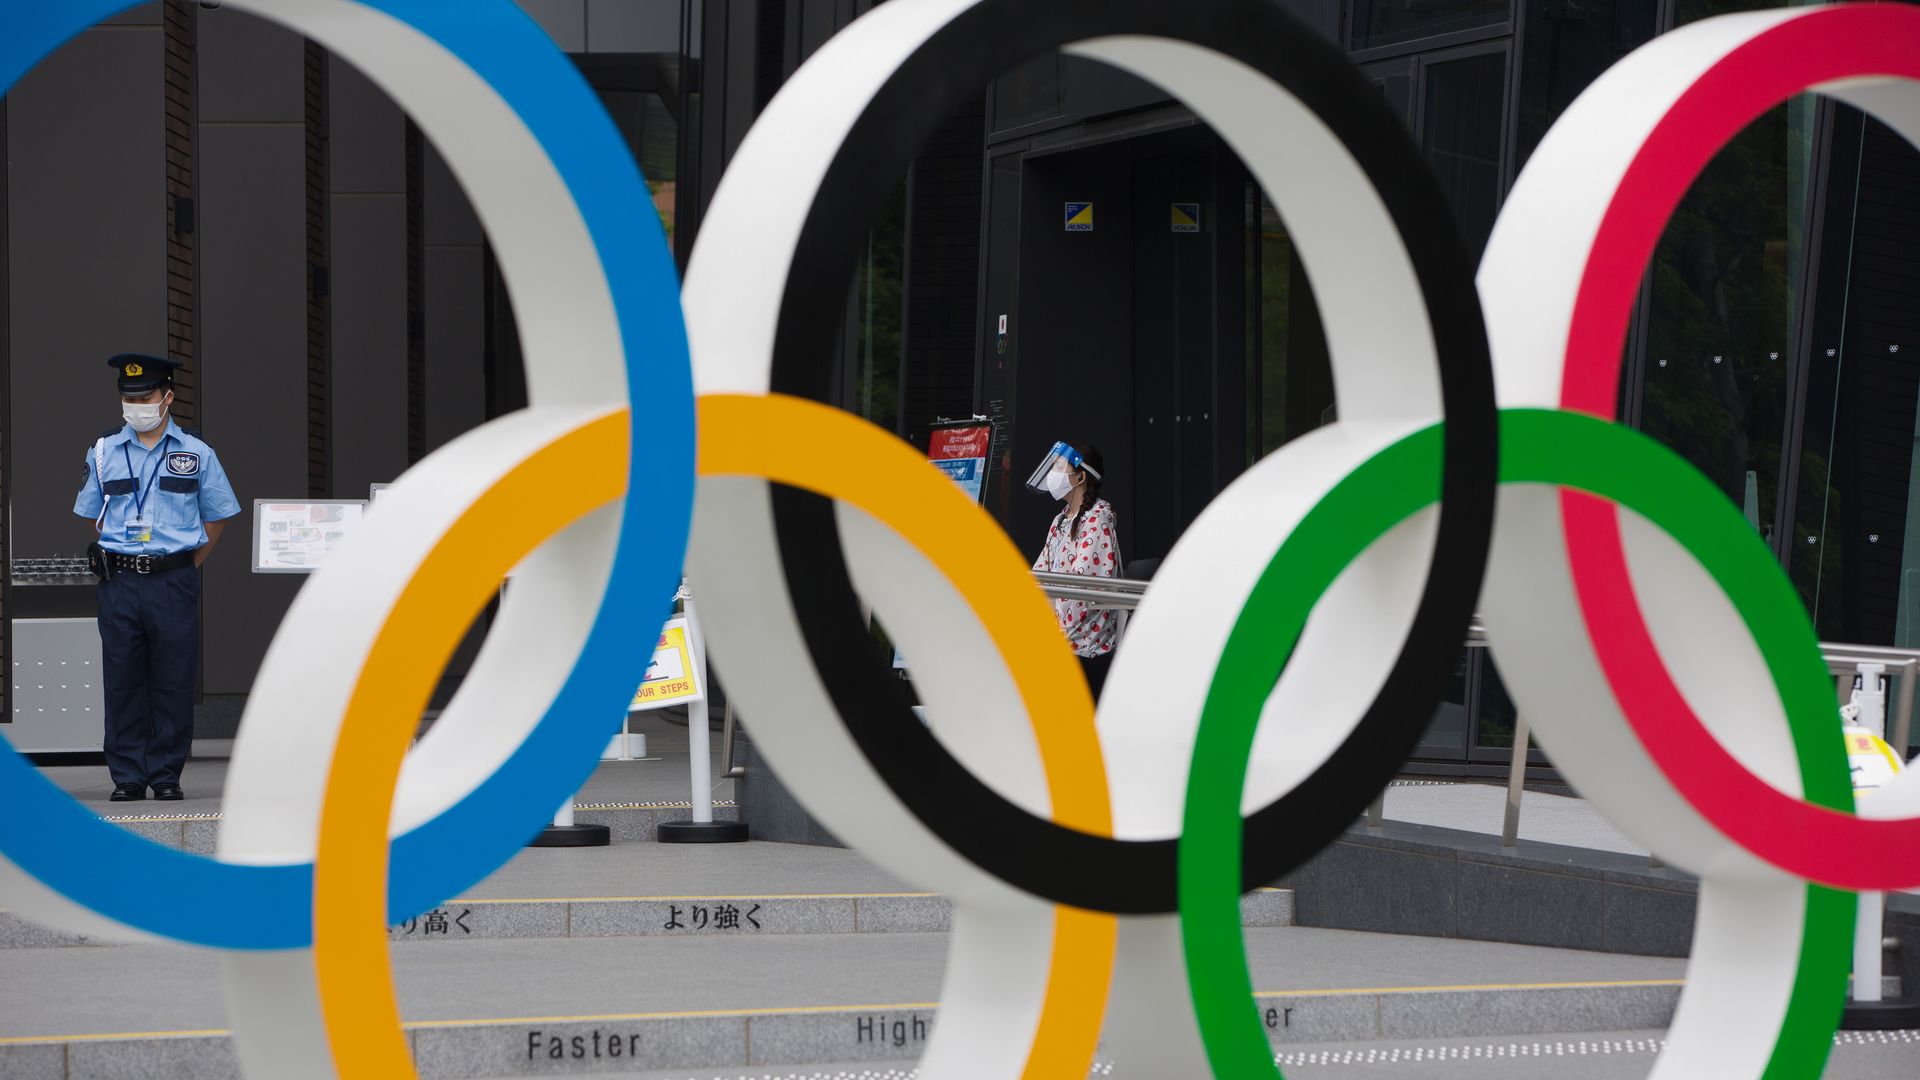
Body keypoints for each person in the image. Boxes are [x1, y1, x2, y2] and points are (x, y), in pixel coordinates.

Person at [72, 354, 241, 802]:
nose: (135, 405)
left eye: (144, 397)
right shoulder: (105, 450)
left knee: (172, 678)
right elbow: (94, 516)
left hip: (173, 580)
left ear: (168, 397)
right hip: (120, 582)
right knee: (122, 677)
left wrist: (185, 563)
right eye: (128, 398)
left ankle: (166, 774)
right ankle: (127, 776)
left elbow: (219, 516)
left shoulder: (195, 452)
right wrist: (130, 553)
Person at [1027, 440, 1121, 699]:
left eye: (1059, 467)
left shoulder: (1097, 521)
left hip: (1084, 648)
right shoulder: (1060, 520)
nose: (1054, 474)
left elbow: (1080, 592)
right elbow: (1039, 575)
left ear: (1080, 477)